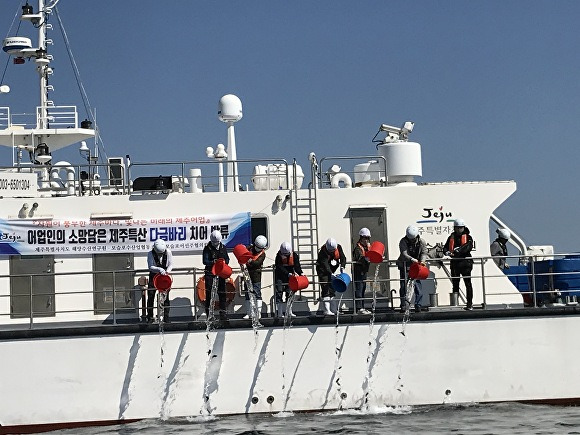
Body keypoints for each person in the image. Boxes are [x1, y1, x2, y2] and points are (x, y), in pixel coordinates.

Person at [444, 218, 475, 310]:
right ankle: (455, 304)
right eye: (457, 228)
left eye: (460, 228)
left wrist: (458, 251)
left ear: (463, 228)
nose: (458, 230)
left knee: (468, 283)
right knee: (455, 284)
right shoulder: (451, 237)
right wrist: (447, 252)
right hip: (455, 264)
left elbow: (468, 247)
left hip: (465, 264)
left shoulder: (468, 238)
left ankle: (469, 303)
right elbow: (445, 248)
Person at [397, 225, 428, 312]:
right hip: (404, 265)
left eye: (413, 239)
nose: (412, 240)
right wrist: (412, 259)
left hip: (416, 266)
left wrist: (422, 261)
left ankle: (418, 304)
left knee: (417, 285)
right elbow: (404, 253)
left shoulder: (421, 241)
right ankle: (403, 305)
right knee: (404, 286)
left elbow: (424, 252)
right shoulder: (403, 241)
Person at [202, 229, 230, 320]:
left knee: (222, 294)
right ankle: (209, 315)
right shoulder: (207, 248)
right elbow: (205, 261)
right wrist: (213, 262)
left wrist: (224, 262)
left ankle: (223, 314)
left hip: (221, 274)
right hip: (210, 274)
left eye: (216, 242)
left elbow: (227, 259)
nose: (215, 244)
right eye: (214, 242)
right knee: (209, 294)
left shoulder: (223, 247)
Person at [316, 238, 346, 315]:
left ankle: (334, 309)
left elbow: (343, 257)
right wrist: (331, 274)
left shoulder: (338, 247)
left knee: (332, 288)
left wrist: (342, 266)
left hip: (332, 269)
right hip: (322, 271)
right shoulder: (322, 252)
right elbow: (325, 264)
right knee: (325, 287)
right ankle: (326, 310)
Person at [274, 241, 303, 317]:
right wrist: (287, 273)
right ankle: (279, 313)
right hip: (280, 276)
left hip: (291, 277)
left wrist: (300, 273)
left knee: (290, 293)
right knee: (279, 292)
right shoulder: (278, 256)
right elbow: (279, 266)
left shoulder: (294, 255)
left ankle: (289, 311)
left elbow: (297, 265)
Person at [147, 239, 173, 322]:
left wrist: (167, 271)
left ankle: (166, 317)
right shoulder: (150, 254)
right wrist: (158, 269)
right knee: (151, 295)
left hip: (164, 276)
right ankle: (150, 316)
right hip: (154, 275)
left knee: (166, 296)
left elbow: (170, 264)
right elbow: (150, 266)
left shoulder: (168, 252)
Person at [243, 235, 267, 319]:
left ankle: (258, 312)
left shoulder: (262, 254)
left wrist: (250, 261)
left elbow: (257, 263)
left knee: (257, 294)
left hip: (256, 276)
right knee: (247, 294)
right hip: (247, 275)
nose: (257, 249)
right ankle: (249, 313)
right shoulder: (249, 248)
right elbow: (243, 253)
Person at [352, 228, 372, 314]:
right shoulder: (357, 248)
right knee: (359, 289)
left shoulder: (366, 247)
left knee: (363, 289)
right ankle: (359, 308)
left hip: (364, 271)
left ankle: (362, 307)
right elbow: (359, 258)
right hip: (359, 271)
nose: (366, 240)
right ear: (361, 238)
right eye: (365, 238)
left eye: (367, 238)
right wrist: (366, 258)